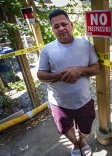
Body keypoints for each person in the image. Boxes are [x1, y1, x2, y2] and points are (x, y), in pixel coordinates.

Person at [37, 9, 99, 156]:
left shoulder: (86, 45)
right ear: (52, 30)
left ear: (71, 25)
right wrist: (60, 76)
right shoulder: (47, 50)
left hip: (83, 100)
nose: (61, 28)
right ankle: (75, 144)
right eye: (56, 26)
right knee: (65, 129)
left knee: (86, 128)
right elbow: (40, 75)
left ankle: (83, 141)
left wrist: (79, 70)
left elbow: (97, 68)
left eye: (64, 24)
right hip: (59, 103)